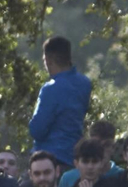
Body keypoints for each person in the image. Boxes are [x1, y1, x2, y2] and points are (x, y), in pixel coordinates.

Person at [27, 35, 92, 172]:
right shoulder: (84, 83)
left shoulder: (51, 88)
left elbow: (37, 130)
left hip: (49, 159)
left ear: (49, 60)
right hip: (72, 157)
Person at [60, 119, 120, 187]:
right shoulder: (68, 178)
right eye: (96, 144)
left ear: (113, 147)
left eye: (106, 145)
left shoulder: (121, 176)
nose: (101, 150)